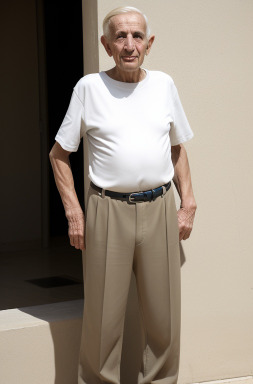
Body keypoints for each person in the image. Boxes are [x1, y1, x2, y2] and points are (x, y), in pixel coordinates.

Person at [49, 6, 196, 384]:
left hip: (161, 207)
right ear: (106, 44)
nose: (129, 45)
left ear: (149, 44)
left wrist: (189, 203)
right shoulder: (88, 88)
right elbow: (59, 155)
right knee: (103, 322)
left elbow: (176, 147)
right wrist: (74, 213)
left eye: (136, 37)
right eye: (120, 36)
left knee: (163, 319)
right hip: (107, 210)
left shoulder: (164, 84)